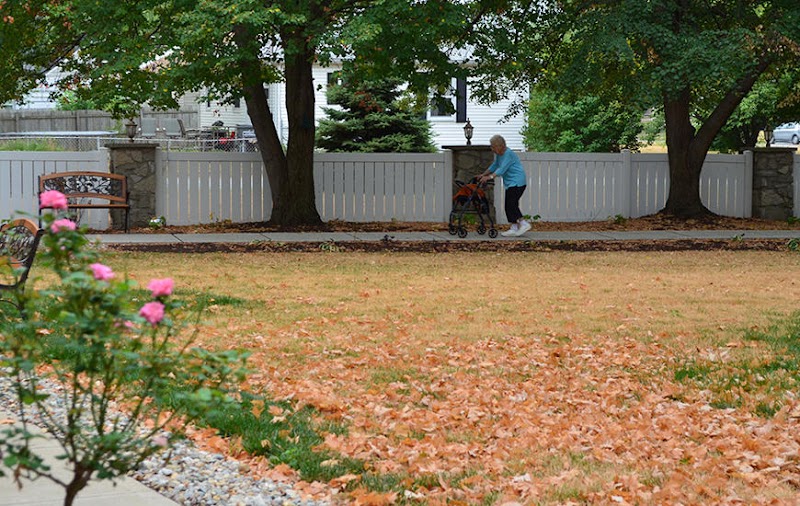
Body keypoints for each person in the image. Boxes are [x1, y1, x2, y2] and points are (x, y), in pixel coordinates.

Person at [478, 135, 530, 236]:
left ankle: (523, 223)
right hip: (511, 183)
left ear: (500, 146)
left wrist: (489, 177)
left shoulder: (508, 154)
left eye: (493, 147)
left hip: (517, 182)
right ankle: (514, 227)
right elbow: (494, 166)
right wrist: (483, 174)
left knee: (511, 204)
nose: (491, 149)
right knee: (509, 205)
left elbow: (501, 169)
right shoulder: (499, 155)